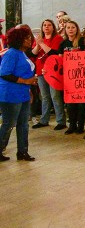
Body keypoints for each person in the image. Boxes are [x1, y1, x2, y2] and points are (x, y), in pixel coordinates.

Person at [0, 26, 37, 162]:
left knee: (23, 124)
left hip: (22, 93)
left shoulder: (22, 53)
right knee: (9, 123)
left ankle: (22, 152)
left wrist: (29, 87)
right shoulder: (11, 53)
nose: (30, 40)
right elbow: (5, 74)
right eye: (27, 38)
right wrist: (26, 81)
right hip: (10, 94)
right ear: (19, 40)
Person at [31, 19, 65, 129]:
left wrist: (41, 43)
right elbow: (34, 53)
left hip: (53, 71)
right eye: (44, 25)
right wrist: (38, 43)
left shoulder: (57, 38)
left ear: (53, 27)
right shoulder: (40, 39)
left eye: (49, 25)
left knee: (55, 95)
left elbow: (53, 53)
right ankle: (44, 120)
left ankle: (61, 121)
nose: (46, 27)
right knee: (44, 96)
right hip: (41, 70)